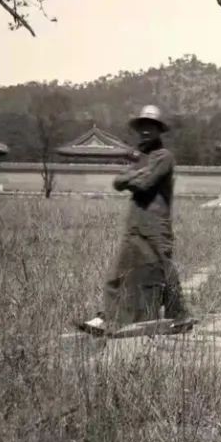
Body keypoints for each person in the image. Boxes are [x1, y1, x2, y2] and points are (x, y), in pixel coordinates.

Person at [77, 105, 195, 336]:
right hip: (135, 224)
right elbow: (118, 182)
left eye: (150, 127)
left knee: (162, 270)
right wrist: (133, 175)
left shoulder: (164, 157)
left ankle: (179, 315)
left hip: (156, 225)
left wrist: (131, 177)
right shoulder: (141, 159)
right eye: (141, 127)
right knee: (119, 273)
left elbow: (144, 183)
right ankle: (109, 317)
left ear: (159, 130)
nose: (145, 132)